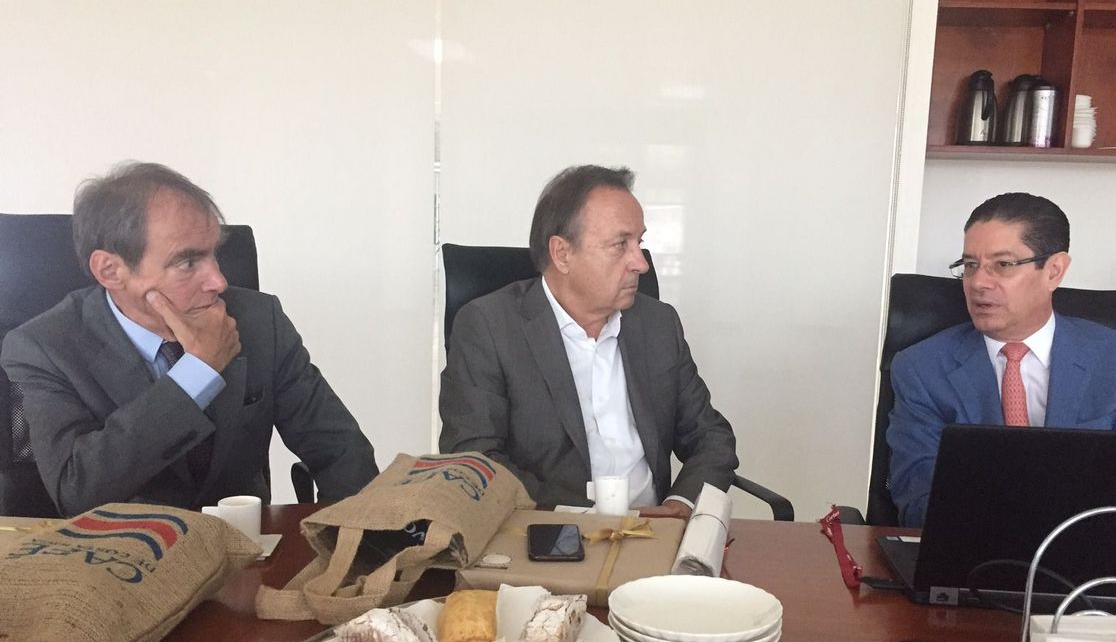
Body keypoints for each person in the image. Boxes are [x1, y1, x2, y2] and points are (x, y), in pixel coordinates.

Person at [1, 162, 378, 515]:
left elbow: (341, 452)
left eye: (215, 254)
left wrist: (350, 542)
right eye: (187, 262)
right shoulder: (44, 348)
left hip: (247, 545)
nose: (219, 281)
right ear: (111, 270)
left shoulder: (259, 320)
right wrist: (197, 373)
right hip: (122, 551)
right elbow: (77, 490)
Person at [438, 164, 737, 518]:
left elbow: (710, 437)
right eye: (620, 244)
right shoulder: (489, 327)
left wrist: (679, 505)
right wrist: (589, 521)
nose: (641, 263)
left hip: (654, 531)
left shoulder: (657, 324)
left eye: (639, 243)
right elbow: (475, 459)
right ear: (562, 254)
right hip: (548, 529)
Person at [887, 192, 1116, 528]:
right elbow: (918, 500)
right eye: (970, 265)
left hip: (1087, 549)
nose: (978, 283)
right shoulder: (922, 369)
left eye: (1003, 265)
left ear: (1054, 271)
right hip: (971, 545)